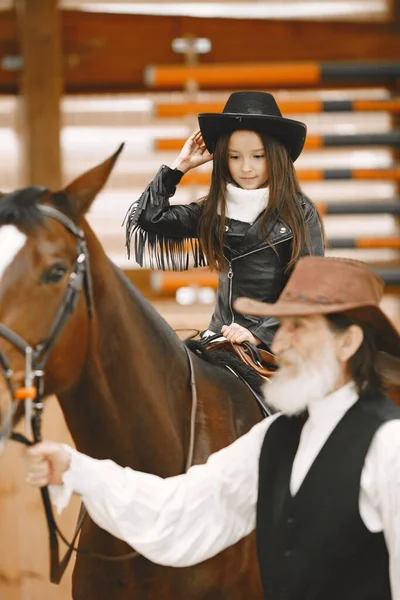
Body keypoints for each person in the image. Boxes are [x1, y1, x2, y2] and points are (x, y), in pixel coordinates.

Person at [26, 256, 400, 599]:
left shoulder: (389, 444)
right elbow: (181, 512)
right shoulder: (273, 438)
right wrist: (76, 469)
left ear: (347, 342)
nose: (281, 342)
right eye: (282, 326)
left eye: (299, 326)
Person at [124, 91, 324, 348]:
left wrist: (258, 334)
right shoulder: (212, 209)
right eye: (234, 156)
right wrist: (179, 166)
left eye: (258, 156)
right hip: (218, 337)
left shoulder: (300, 212)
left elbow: (310, 287)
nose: (246, 168)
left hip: (279, 343)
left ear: (275, 156)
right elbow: (150, 217)